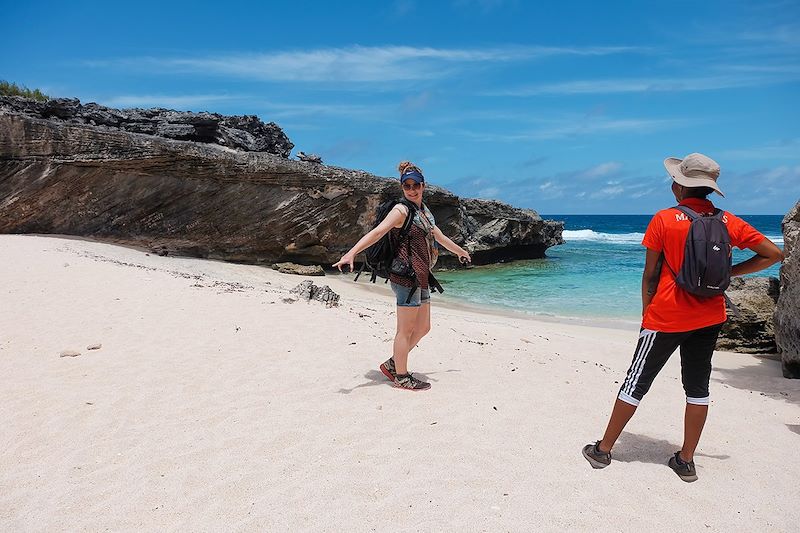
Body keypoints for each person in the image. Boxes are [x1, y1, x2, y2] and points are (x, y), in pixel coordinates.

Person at [582, 153, 784, 482]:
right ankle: (686, 460)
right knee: (698, 388)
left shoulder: (663, 219)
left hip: (666, 317)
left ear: (679, 186)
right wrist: (731, 272)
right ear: (708, 190)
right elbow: (773, 254)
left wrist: (647, 314)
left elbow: (650, 276)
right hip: (709, 317)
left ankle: (603, 450)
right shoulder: (727, 221)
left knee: (636, 383)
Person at [333, 161, 472, 391]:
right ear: (402, 187)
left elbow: (437, 234)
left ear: (423, 185)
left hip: (422, 275)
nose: (411, 189)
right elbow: (377, 232)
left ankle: (393, 363)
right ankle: (401, 376)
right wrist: (351, 253)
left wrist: (460, 251)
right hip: (406, 276)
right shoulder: (401, 210)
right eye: (407, 185)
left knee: (424, 327)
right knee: (405, 330)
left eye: (415, 184)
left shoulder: (423, 211)